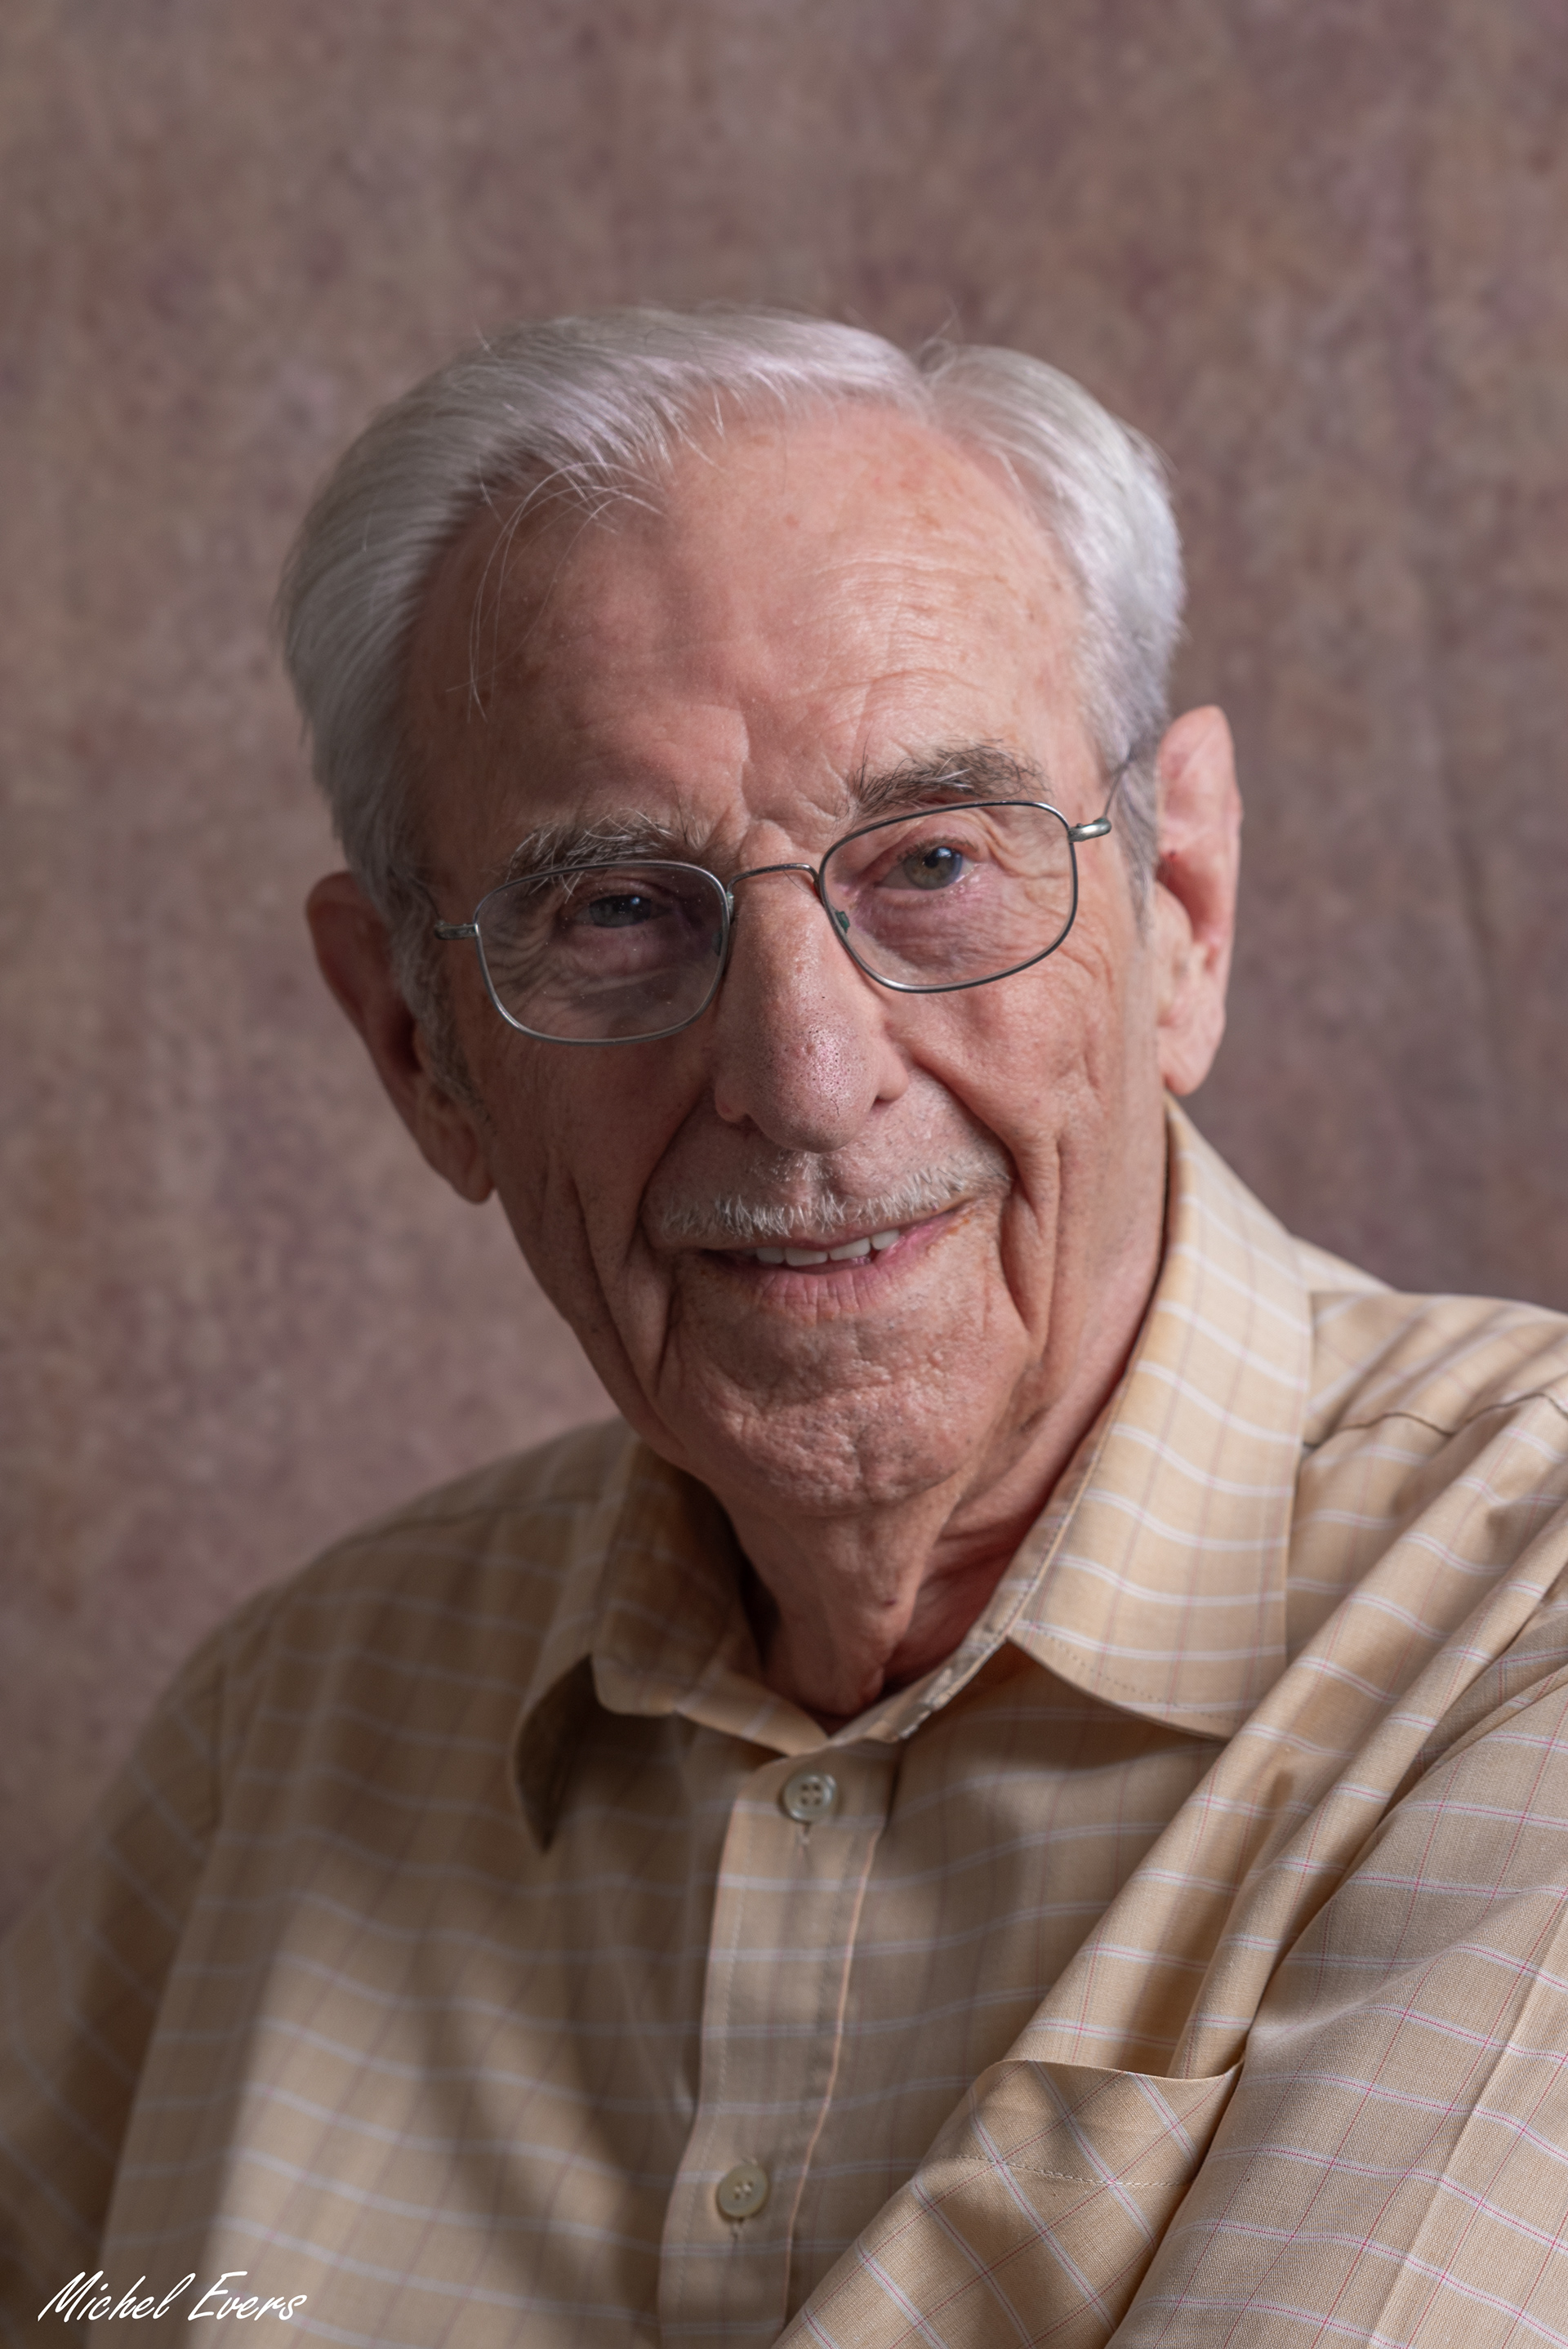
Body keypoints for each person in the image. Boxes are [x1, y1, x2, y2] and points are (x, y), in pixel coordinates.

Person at [4, 309, 1568, 2349]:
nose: (808, 1078)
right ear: (415, 1045)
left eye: (934, 862)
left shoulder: (1523, 1625)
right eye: (616, 909)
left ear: (1179, 906)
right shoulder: (275, 1745)